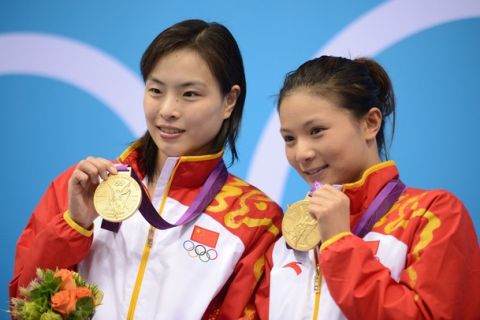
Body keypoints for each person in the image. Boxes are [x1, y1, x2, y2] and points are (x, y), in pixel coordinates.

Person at [10, 19, 282, 319]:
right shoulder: (83, 184)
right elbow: (23, 303)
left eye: (189, 94)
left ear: (229, 100)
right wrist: (75, 226)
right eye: (155, 90)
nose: (167, 110)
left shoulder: (256, 220)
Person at [256, 55, 480, 319]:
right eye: (289, 138)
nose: (301, 152)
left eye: (316, 130)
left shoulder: (433, 215)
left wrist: (341, 244)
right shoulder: (287, 242)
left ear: (370, 123)